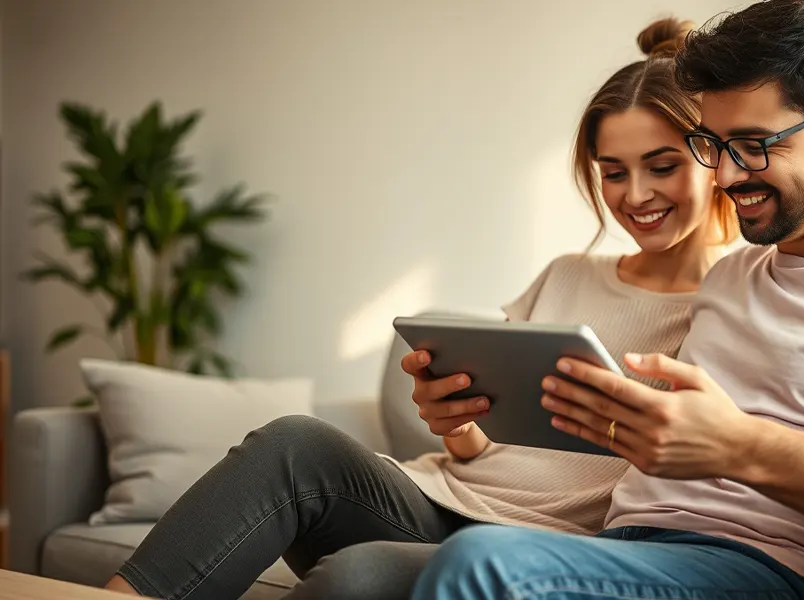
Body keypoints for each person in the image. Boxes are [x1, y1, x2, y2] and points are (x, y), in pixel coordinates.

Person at [408, 1, 804, 599]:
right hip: (625, 546)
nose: (728, 176)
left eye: (755, 146)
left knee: (482, 562)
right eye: (713, 146)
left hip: (769, 565)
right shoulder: (733, 273)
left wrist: (741, 447)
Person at [102, 17, 739, 600]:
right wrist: (459, 427)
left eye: (662, 165)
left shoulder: (739, 303)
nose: (636, 195)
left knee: (358, 576)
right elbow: (482, 448)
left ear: (712, 158)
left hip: (543, 552)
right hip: (436, 500)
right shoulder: (568, 275)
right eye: (613, 172)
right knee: (290, 443)